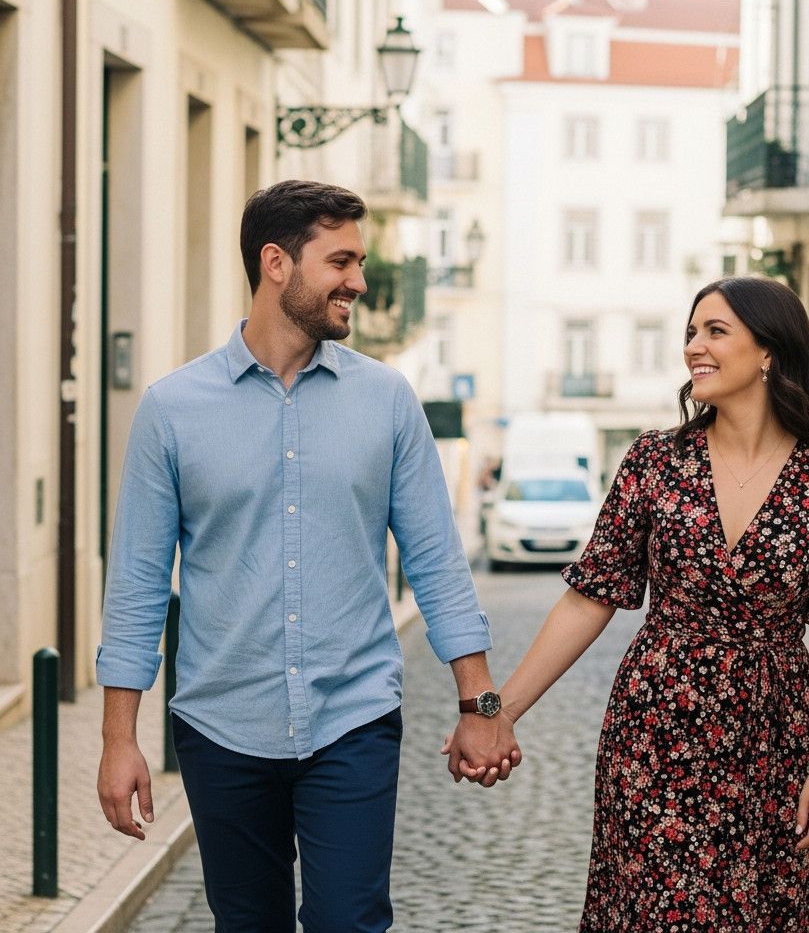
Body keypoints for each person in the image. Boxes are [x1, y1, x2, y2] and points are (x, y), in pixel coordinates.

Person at [96, 179, 520, 933]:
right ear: (276, 264)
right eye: (342, 261)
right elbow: (135, 582)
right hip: (222, 725)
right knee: (247, 924)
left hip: (353, 718)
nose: (359, 280)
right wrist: (119, 739)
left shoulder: (388, 401)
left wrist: (481, 706)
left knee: (350, 922)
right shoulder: (172, 410)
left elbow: (437, 563)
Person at [453, 276, 809, 931]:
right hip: (655, 736)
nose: (693, 348)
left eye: (715, 332)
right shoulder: (655, 462)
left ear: (769, 351)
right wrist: (496, 712)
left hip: (775, 739)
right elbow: (588, 598)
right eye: (691, 332)